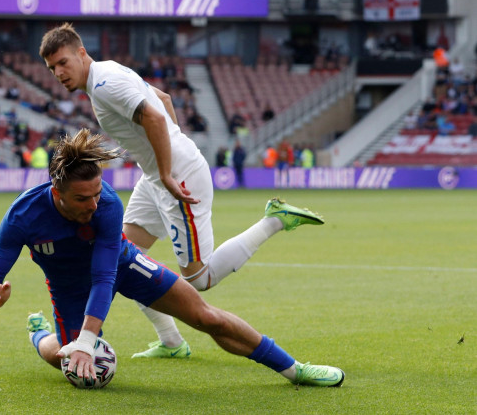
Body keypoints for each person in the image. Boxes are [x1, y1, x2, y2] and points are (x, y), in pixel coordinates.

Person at [40, 23, 326, 358]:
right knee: (122, 257)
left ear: (81, 53)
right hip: (160, 174)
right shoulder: (106, 74)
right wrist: (170, 153)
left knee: (200, 279)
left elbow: (156, 118)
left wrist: (168, 168)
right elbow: (163, 99)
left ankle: (274, 220)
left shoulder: (103, 85)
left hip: (175, 176)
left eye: (63, 62)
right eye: (52, 68)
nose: (59, 72)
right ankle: (172, 342)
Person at [0, 130, 344, 387]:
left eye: (97, 194)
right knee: (63, 357)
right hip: (68, 286)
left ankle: (295, 370)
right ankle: (39, 333)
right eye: (82, 198)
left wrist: (89, 341)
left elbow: (105, 276)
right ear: (57, 192)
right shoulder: (23, 215)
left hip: (122, 264)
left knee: (205, 316)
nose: (94, 204)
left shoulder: (106, 204)